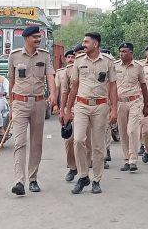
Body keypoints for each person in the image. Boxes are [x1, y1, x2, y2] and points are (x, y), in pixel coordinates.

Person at [62, 32, 118, 194]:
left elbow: (113, 86)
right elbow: (74, 86)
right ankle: (83, 175)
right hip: (81, 105)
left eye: (86, 42)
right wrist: (67, 109)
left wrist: (114, 109)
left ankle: (96, 179)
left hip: (100, 106)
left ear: (95, 44)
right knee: (78, 140)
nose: (83, 44)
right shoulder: (78, 61)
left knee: (98, 145)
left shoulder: (108, 62)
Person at [8, 26, 57, 196]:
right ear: (26, 38)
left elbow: (50, 75)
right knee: (19, 142)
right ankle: (19, 181)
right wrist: (11, 104)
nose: (38, 39)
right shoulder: (14, 56)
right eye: (35, 37)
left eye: (39, 37)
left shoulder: (44, 55)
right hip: (19, 103)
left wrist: (53, 94)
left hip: (38, 103)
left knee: (36, 143)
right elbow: (11, 81)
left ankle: (33, 178)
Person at [57, 49, 92, 182]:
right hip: (72, 107)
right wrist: (63, 110)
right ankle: (72, 167)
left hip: (89, 106)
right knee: (70, 139)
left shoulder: (92, 66)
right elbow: (64, 91)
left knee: (86, 140)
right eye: (77, 53)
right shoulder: (68, 70)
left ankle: (85, 169)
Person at [115, 42, 148, 172]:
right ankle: (126, 159)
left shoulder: (139, 67)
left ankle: (133, 159)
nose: (122, 54)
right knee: (123, 132)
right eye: (121, 51)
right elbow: (111, 85)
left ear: (131, 53)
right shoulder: (115, 66)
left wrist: (146, 105)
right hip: (120, 102)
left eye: (124, 51)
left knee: (132, 130)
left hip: (135, 101)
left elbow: (143, 86)